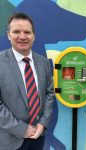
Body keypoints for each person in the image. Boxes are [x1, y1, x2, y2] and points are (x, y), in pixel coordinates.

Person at [0, 12, 54, 150]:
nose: (22, 36)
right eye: (16, 31)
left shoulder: (43, 62)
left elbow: (49, 93)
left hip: (38, 137)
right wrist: (21, 129)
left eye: (27, 32)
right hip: (9, 141)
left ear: (33, 36)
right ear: (8, 35)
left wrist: (43, 123)